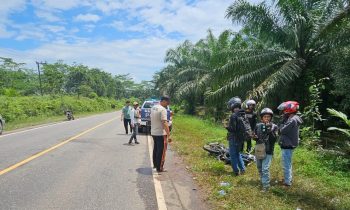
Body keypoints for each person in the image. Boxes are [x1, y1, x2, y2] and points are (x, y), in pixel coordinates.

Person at [277, 101, 303, 187]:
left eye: (284, 109)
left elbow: (282, 131)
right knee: (288, 162)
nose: (283, 111)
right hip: (290, 143)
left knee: (286, 164)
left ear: (289, 109)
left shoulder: (292, 120)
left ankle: (287, 182)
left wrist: (280, 126)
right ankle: (288, 178)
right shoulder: (294, 118)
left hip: (287, 144)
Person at [226, 96, 252, 176]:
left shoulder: (233, 115)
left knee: (233, 155)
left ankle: (236, 171)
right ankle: (243, 169)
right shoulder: (243, 114)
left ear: (232, 105)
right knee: (238, 154)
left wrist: (227, 127)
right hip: (241, 139)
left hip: (234, 138)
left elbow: (233, 129)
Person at [254, 108, 278, 192]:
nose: (267, 118)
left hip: (268, 150)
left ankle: (266, 186)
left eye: (268, 117)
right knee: (259, 167)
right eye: (265, 117)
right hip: (259, 148)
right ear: (262, 118)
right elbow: (256, 137)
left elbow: (274, 139)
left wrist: (270, 131)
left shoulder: (274, 126)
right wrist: (254, 137)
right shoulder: (258, 126)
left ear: (271, 118)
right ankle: (262, 180)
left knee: (265, 168)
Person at [150, 96, 172, 173]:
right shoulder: (163, 110)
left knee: (155, 149)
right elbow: (164, 122)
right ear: (163, 101)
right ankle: (159, 168)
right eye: (167, 102)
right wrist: (169, 135)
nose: (168, 104)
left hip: (153, 132)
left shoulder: (153, 107)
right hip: (160, 133)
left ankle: (155, 164)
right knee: (161, 151)